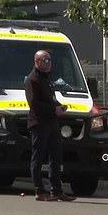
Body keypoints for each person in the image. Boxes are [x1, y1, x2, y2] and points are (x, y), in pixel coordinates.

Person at [24, 50, 76, 202]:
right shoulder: (32, 79)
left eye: (49, 60)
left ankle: (56, 190)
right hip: (39, 123)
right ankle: (39, 190)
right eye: (45, 60)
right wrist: (53, 110)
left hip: (52, 122)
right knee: (38, 157)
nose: (48, 63)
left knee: (56, 155)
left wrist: (60, 106)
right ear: (37, 62)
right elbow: (34, 104)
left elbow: (50, 99)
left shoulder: (47, 79)